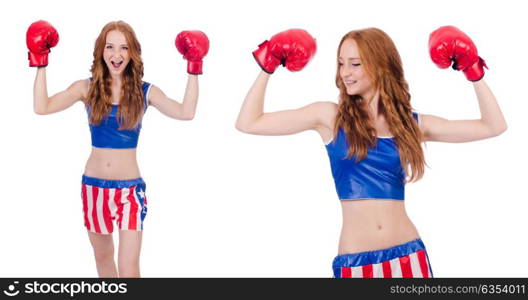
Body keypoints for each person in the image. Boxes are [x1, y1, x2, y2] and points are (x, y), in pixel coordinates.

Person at [235, 26, 507, 278]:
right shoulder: (329, 117)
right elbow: (248, 123)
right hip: (356, 263)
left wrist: (472, 70)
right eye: (341, 63)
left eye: (354, 64)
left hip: (408, 257)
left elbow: (493, 126)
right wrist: (267, 65)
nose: (345, 72)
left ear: (380, 65)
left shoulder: (410, 125)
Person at [28, 20, 209, 277]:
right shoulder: (86, 88)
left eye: (124, 48)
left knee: (129, 269)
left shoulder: (145, 91)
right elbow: (42, 107)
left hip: (129, 191)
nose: (116, 54)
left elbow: (185, 112)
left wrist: (194, 66)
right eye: (110, 47)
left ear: (132, 52)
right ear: (101, 51)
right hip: (94, 188)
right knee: (103, 261)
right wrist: (40, 60)